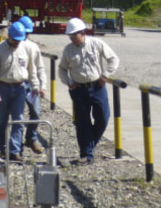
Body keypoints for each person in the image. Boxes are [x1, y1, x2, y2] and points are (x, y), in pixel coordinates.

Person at [58, 18, 119, 165]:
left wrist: (105, 75)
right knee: (82, 123)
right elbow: (62, 69)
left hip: (97, 86)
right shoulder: (68, 49)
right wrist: (69, 82)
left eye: (74, 35)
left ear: (82, 32)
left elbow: (113, 59)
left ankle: (89, 146)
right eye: (70, 36)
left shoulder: (96, 44)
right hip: (78, 89)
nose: (72, 38)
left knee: (103, 117)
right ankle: (86, 155)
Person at [0, 22, 39, 162]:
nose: (17, 43)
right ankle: (4, 149)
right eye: (15, 40)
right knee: (2, 121)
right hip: (3, 88)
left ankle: (15, 151)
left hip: (20, 88)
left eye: (19, 40)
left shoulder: (25, 49)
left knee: (18, 119)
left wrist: (35, 86)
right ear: (9, 36)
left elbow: (31, 70)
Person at [18, 16, 47, 154]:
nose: (26, 34)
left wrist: (43, 86)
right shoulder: (12, 46)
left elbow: (40, 67)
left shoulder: (33, 47)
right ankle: (16, 145)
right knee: (17, 115)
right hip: (16, 84)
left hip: (32, 85)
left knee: (36, 112)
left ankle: (31, 138)